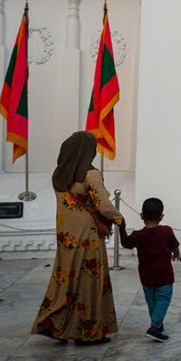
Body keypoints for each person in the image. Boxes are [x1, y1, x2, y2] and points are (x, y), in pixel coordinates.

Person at [31, 130, 124, 345]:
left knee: (65, 278)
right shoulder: (90, 174)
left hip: (66, 236)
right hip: (87, 235)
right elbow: (103, 205)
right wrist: (120, 219)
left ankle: (55, 324)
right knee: (88, 280)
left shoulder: (60, 175)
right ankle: (86, 332)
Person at [119, 197, 181, 342]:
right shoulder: (166, 231)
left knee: (152, 301)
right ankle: (154, 328)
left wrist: (122, 228)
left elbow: (126, 243)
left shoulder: (137, 235)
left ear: (141, 215)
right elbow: (174, 245)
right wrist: (176, 254)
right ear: (161, 216)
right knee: (163, 299)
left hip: (146, 276)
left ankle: (157, 325)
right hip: (164, 275)